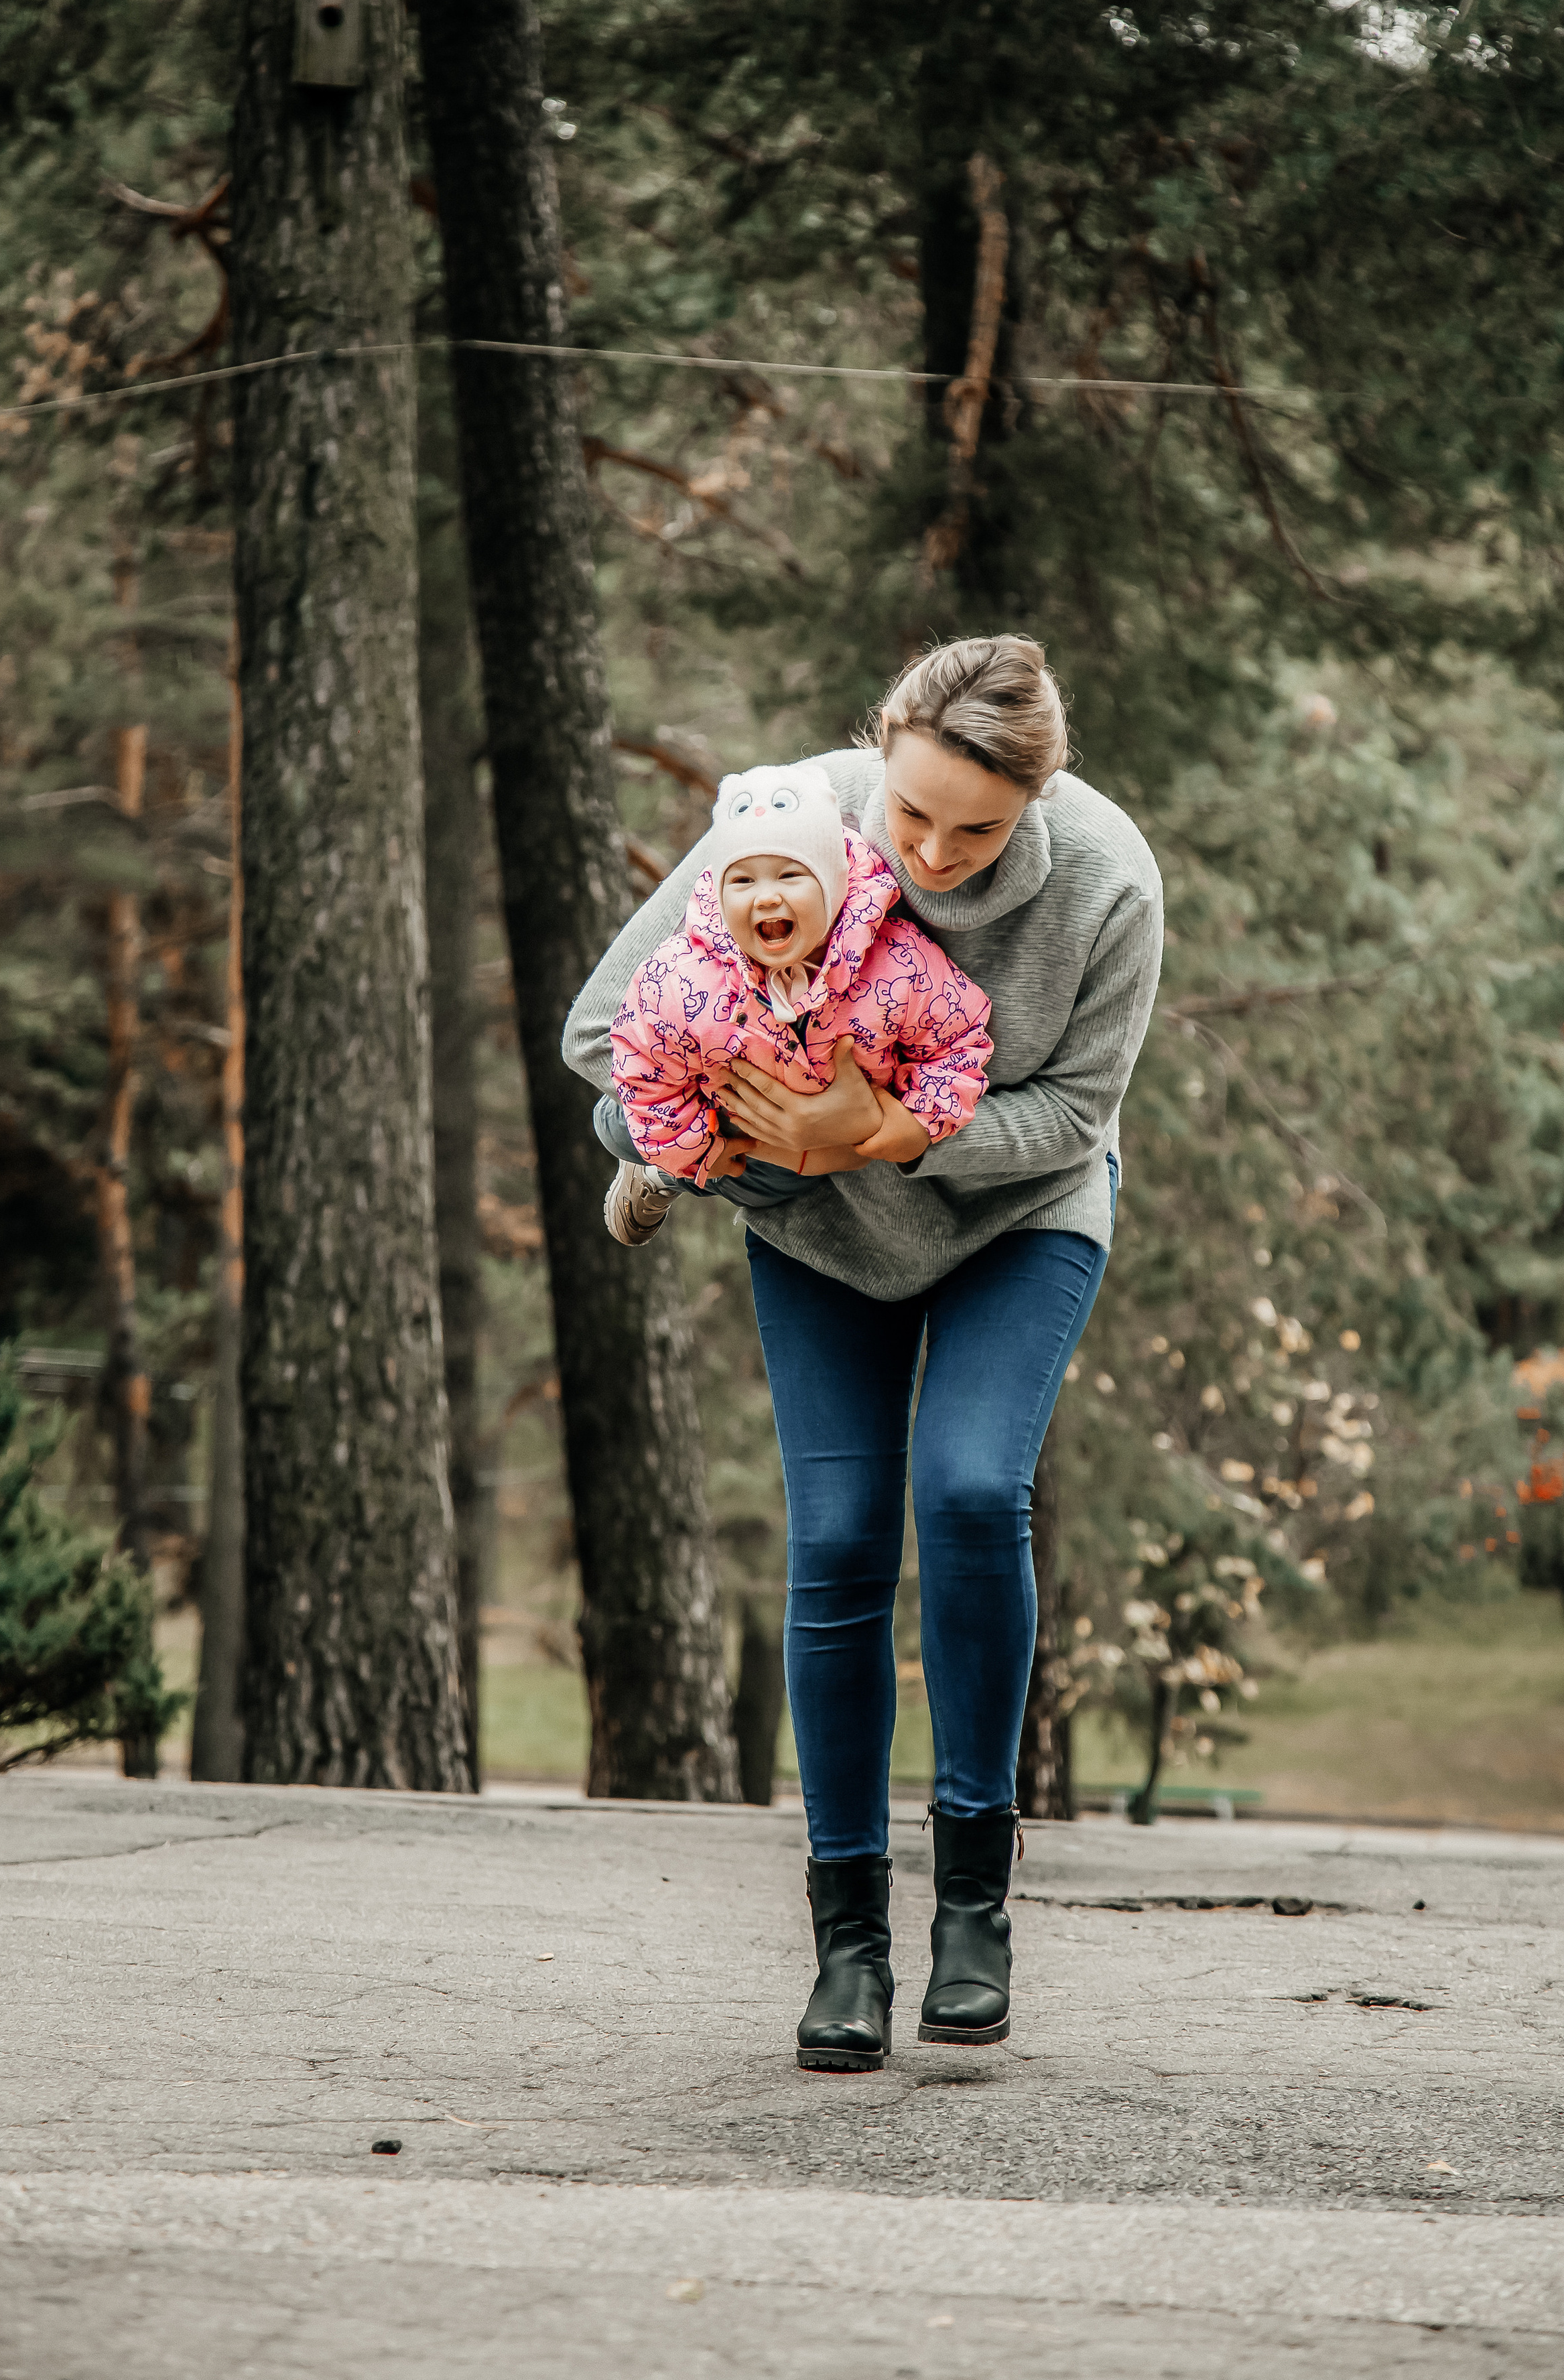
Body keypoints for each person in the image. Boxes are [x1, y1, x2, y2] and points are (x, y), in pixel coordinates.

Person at [564, 635, 1163, 2072]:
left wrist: (886, 1132)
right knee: (836, 1539)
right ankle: (848, 1944)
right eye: (911, 817)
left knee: (968, 1492)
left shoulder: (1108, 884)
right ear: (876, 754)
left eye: (979, 830)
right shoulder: (790, 820)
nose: (935, 856)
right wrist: (753, 1140)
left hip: (1019, 1216)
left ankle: (973, 1907)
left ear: (1039, 796)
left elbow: (1074, 1117)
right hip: (820, 1230)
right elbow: (602, 1034)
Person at [599, 758, 994, 1241]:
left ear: (833, 886)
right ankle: (660, 1173)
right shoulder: (683, 979)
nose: (766, 897)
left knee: (783, 1185)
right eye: (743, 881)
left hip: (827, 1141)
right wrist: (692, 1150)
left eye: (790, 876)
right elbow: (641, 1055)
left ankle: (678, 1176)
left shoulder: (899, 965)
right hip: (727, 1122)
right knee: (617, 1127)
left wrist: (919, 1122)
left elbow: (960, 1039)